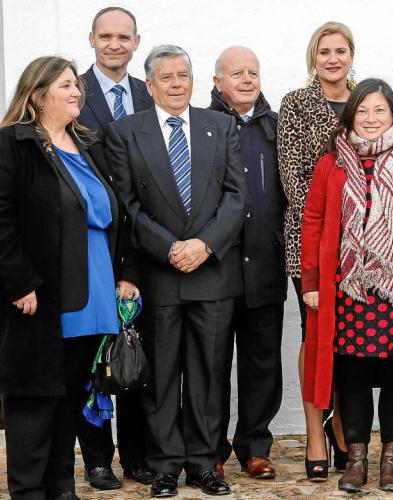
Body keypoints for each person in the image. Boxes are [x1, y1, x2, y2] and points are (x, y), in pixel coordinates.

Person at [106, 45, 248, 497]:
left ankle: (204, 464)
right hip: (159, 275)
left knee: (209, 375)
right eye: (166, 77)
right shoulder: (125, 132)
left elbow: (236, 196)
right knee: (162, 378)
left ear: (193, 79)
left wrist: (204, 245)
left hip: (212, 274)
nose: (176, 84)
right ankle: (165, 466)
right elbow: (126, 204)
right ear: (149, 86)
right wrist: (169, 248)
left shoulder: (220, 126)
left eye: (182, 75)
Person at [0, 56, 139, 500]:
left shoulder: (88, 144)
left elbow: (117, 215)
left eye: (76, 84)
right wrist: (20, 282)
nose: (76, 91)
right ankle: (28, 491)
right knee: (35, 397)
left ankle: (61, 486)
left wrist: (125, 273)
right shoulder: (13, 143)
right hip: (42, 294)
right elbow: (2, 220)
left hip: (93, 290)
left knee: (71, 395)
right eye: (65, 85)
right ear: (38, 96)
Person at [300, 78, 393, 493]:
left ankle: (391, 460)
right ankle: (357, 460)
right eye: (362, 110)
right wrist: (311, 280)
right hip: (347, 288)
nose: (370, 118)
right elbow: (313, 220)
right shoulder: (331, 164)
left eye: (380, 110)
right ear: (350, 116)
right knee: (353, 373)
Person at [76, 6, 155, 488]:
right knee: (95, 357)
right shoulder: (73, 93)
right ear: (91, 39)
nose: (114, 44)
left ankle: (138, 457)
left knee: (138, 351)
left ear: (136, 42)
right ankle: (98, 460)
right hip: (94, 244)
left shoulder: (150, 93)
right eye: (105, 36)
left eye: (123, 37)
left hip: (146, 243)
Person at [277, 20, 354, 480]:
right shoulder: (296, 103)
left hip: (365, 245)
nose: (332, 58)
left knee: (349, 337)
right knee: (316, 334)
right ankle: (314, 431)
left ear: (351, 55)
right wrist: (337, 224)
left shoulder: (368, 99)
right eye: (324, 51)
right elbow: (294, 179)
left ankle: (342, 424)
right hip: (310, 239)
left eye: (340, 50)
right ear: (313, 57)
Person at [210, 46, 287, 480]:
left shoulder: (276, 127)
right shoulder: (202, 125)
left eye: (252, 73)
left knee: (262, 364)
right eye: (236, 73)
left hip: (265, 264)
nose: (246, 80)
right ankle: (211, 448)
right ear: (217, 81)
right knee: (212, 364)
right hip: (215, 268)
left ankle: (255, 447)